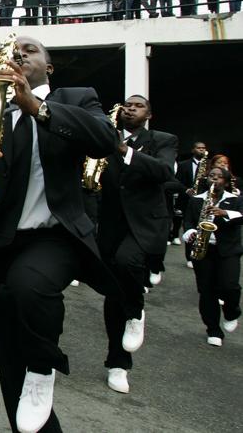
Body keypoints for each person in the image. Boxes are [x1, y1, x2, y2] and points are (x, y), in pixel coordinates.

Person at [0, 35, 118, 433]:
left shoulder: (76, 98)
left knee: (28, 289)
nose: (20, 53)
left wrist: (36, 108)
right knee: (8, 349)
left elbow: (105, 140)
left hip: (53, 236)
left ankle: (44, 366)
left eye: (31, 50)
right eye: (12, 51)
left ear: (49, 68)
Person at [98, 95, 178, 395]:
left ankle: (137, 310)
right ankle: (117, 364)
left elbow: (163, 172)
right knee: (113, 294)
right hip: (109, 225)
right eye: (127, 105)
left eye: (138, 105)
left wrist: (123, 149)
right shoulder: (105, 134)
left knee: (127, 263)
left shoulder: (163, 139)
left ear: (149, 114)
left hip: (144, 226)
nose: (130, 108)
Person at [183, 167, 242, 347]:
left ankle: (231, 312)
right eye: (211, 176)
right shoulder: (197, 201)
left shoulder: (235, 200)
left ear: (225, 181)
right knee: (207, 290)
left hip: (228, 250)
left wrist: (224, 213)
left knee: (230, 286)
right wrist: (191, 233)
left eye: (219, 177)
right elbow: (188, 222)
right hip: (204, 249)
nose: (214, 179)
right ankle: (213, 329)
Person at [174, 141, 208, 262]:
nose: (201, 150)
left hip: (202, 201)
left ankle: (201, 252)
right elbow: (176, 181)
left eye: (203, 148)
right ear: (193, 150)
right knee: (188, 227)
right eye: (199, 148)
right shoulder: (183, 165)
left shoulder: (208, 166)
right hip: (186, 199)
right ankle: (189, 256)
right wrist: (186, 190)